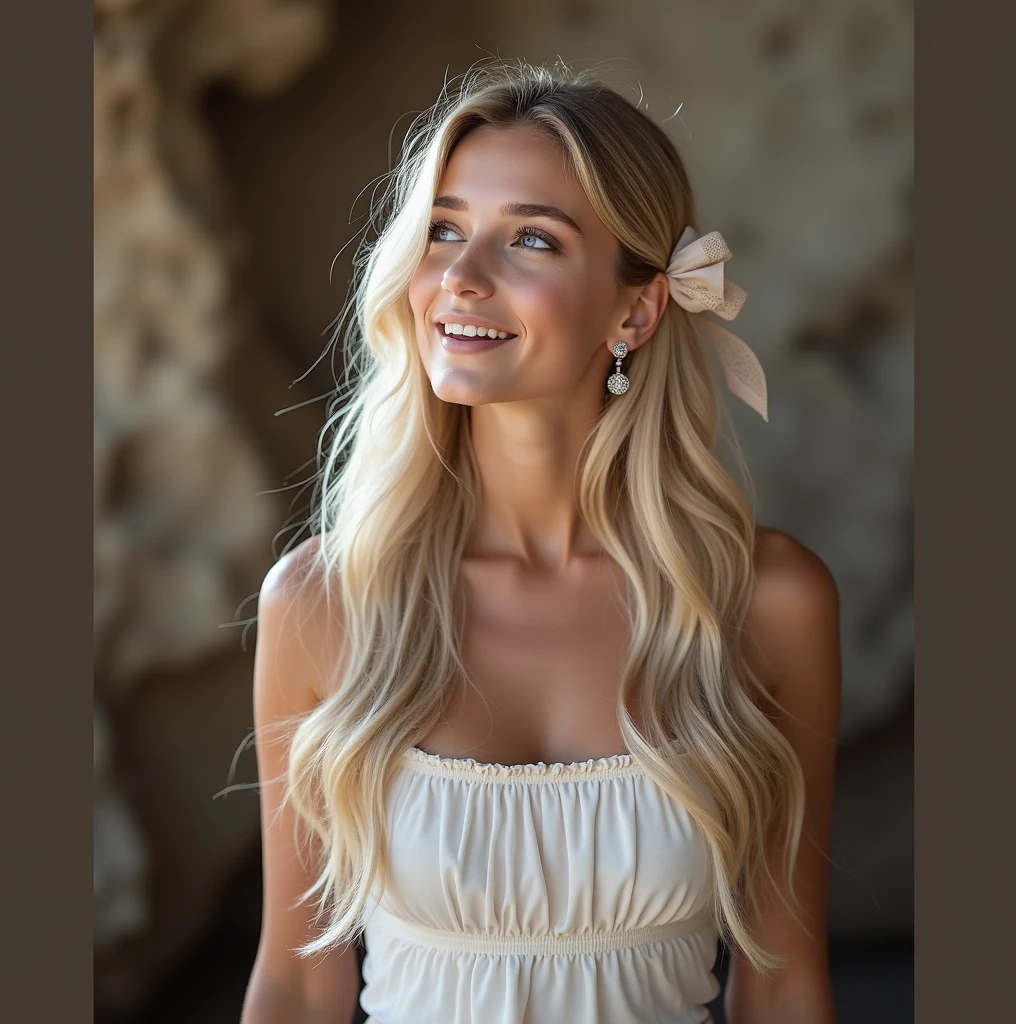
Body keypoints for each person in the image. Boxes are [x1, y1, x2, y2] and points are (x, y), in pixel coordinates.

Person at [241, 59, 841, 1024]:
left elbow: (785, 985)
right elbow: (297, 981)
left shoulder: (766, 603)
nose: (462, 278)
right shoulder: (323, 601)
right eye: (444, 230)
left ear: (636, 309)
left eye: (531, 239)